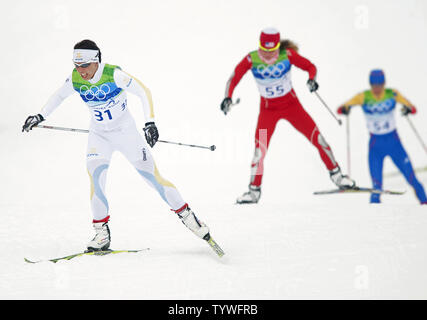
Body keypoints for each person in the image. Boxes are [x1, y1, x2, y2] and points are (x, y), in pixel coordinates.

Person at [22, 40, 219, 252]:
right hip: (99, 136)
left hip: (126, 134)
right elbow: (59, 95)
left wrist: (150, 122)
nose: (81, 71)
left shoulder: (113, 74)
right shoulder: (75, 78)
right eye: (77, 66)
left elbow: (144, 92)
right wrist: (39, 115)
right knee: (96, 177)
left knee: (153, 178)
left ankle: (190, 218)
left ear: (96, 61)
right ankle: (101, 233)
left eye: (85, 66)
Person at [221, 28, 355, 204]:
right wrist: (227, 97)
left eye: (272, 50)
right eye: (264, 50)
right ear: (259, 46)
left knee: (318, 139)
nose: (268, 55)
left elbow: (310, 66)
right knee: (259, 151)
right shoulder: (251, 59)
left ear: (278, 46)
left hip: (292, 107)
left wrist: (312, 79)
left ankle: (338, 177)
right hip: (268, 112)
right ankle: (253, 192)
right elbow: (234, 77)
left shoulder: (288, 55)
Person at [337, 69, 427, 204]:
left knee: (411, 177)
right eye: (374, 85)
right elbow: (341, 108)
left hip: (394, 143)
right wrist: (345, 109)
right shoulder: (363, 96)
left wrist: (408, 109)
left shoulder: (392, 94)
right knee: (376, 187)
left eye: (379, 85)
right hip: (375, 146)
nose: (377, 88)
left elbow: (413, 108)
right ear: (370, 84)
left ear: (384, 83)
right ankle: (375, 218)